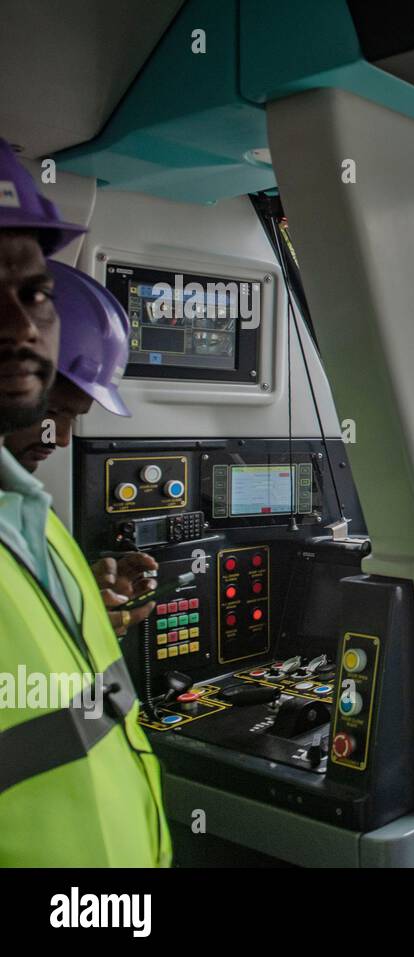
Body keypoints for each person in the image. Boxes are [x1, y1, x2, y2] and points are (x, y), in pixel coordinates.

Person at [0, 138, 171, 865]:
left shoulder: (38, 520)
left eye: (31, 294)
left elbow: (69, 724)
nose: (19, 330)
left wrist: (86, 621)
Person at [4, 260, 159, 636]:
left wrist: (81, 593)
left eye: (73, 418)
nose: (59, 438)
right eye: (53, 412)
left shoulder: (27, 508)